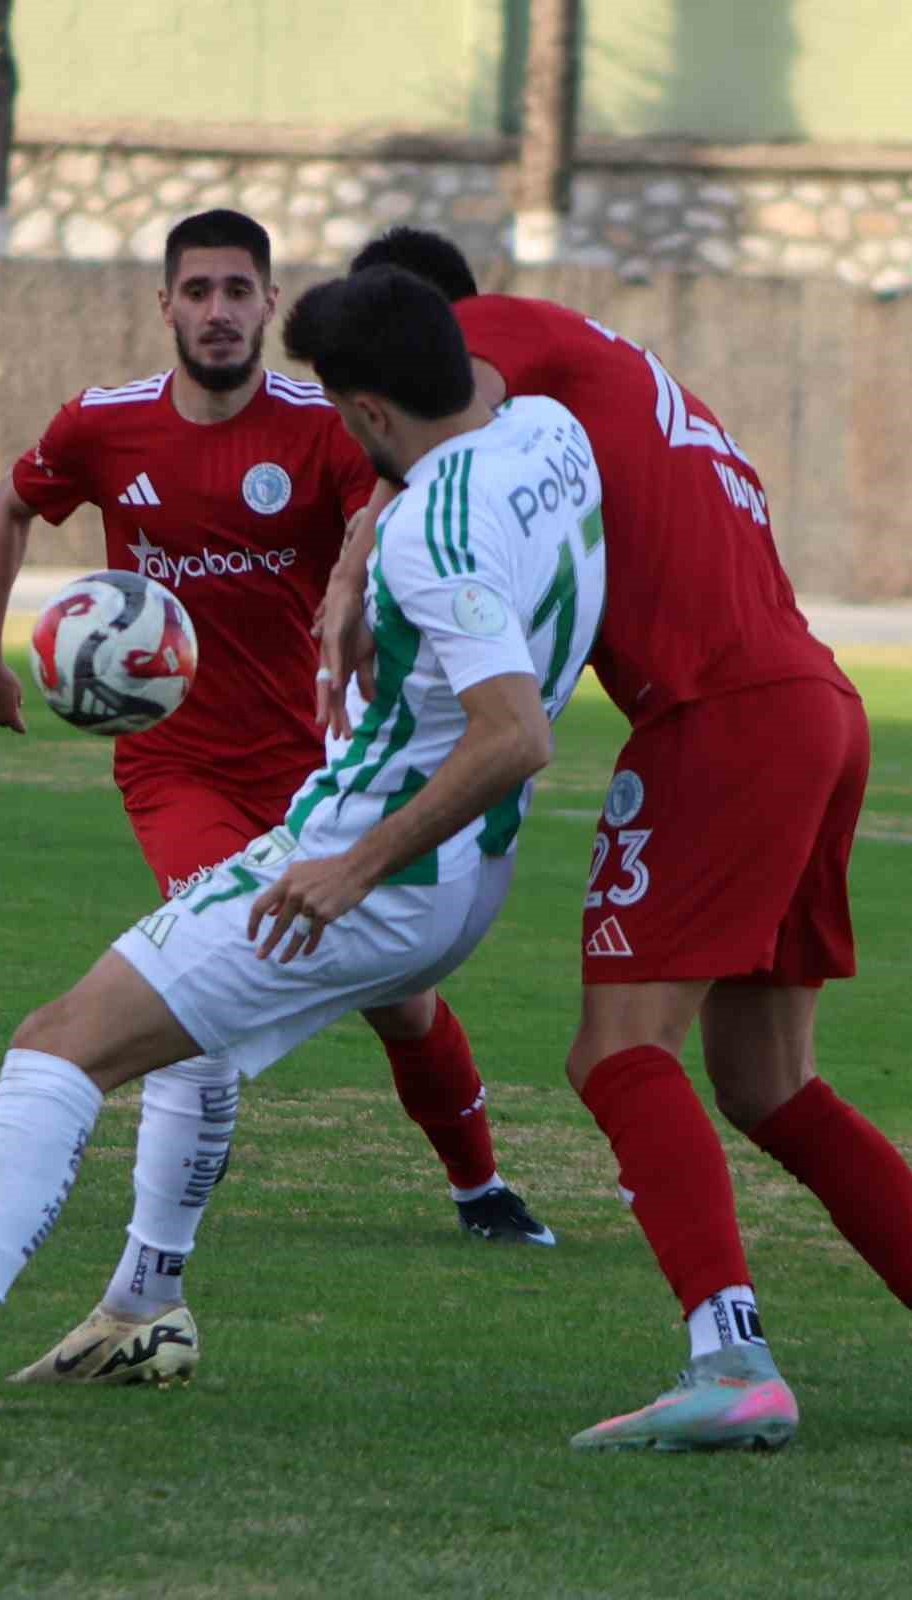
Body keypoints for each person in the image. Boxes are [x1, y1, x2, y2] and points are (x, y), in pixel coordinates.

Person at [0, 267, 604, 1416]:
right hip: (468, 880)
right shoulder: (552, 436)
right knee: (187, 1035)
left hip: (368, 867)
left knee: (57, 1045)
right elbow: (458, 515)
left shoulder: (431, 535)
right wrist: (353, 558)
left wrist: (346, 868)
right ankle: (142, 1312)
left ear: (365, 414)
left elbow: (515, 735)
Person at [319, 226, 912, 1452]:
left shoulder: (500, 345)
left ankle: (730, 1358)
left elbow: (442, 429)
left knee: (616, 1049)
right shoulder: (593, 384)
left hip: (720, 718)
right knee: (766, 1082)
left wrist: (354, 555)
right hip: (812, 705)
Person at [0, 210, 560, 1391]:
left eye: (242, 289)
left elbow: (392, 496)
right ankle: (153, 1287)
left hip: (319, 761)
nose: (221, 310)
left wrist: (348, 571)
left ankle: (477, 1180)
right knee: (204, 989)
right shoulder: (104, 424)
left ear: (268, 298)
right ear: (167, 306)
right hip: (174, 766)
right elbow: (11, 504)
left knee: (404, 1006)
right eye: (199, 290)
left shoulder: (320, 424)